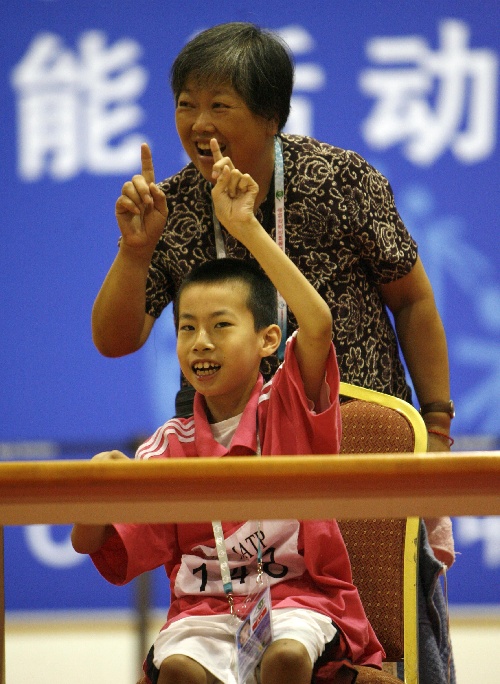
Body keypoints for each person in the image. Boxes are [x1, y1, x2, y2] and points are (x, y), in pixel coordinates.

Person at [90, 22, 455, 682]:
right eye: (185, 103)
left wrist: (436, 423)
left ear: (270, 115)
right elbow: (117, 341)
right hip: (224, 453)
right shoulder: (170, 204)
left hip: (352, 444)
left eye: (219, 105)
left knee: (390, 626)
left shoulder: (341, 179)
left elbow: (415, 300)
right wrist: (135, 250)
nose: (197, 122)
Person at [72, 159, 384, 684]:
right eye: (187, 328)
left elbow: (319, 322)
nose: (201, 343)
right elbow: (90, 543)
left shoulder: (289, 403)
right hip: (206, 616)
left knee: (284, 658)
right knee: (176, 670)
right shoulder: (168, 445)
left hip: (297, 602)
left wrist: (246, 227)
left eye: (221, 326)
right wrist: (92, 497)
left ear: (267, 340)